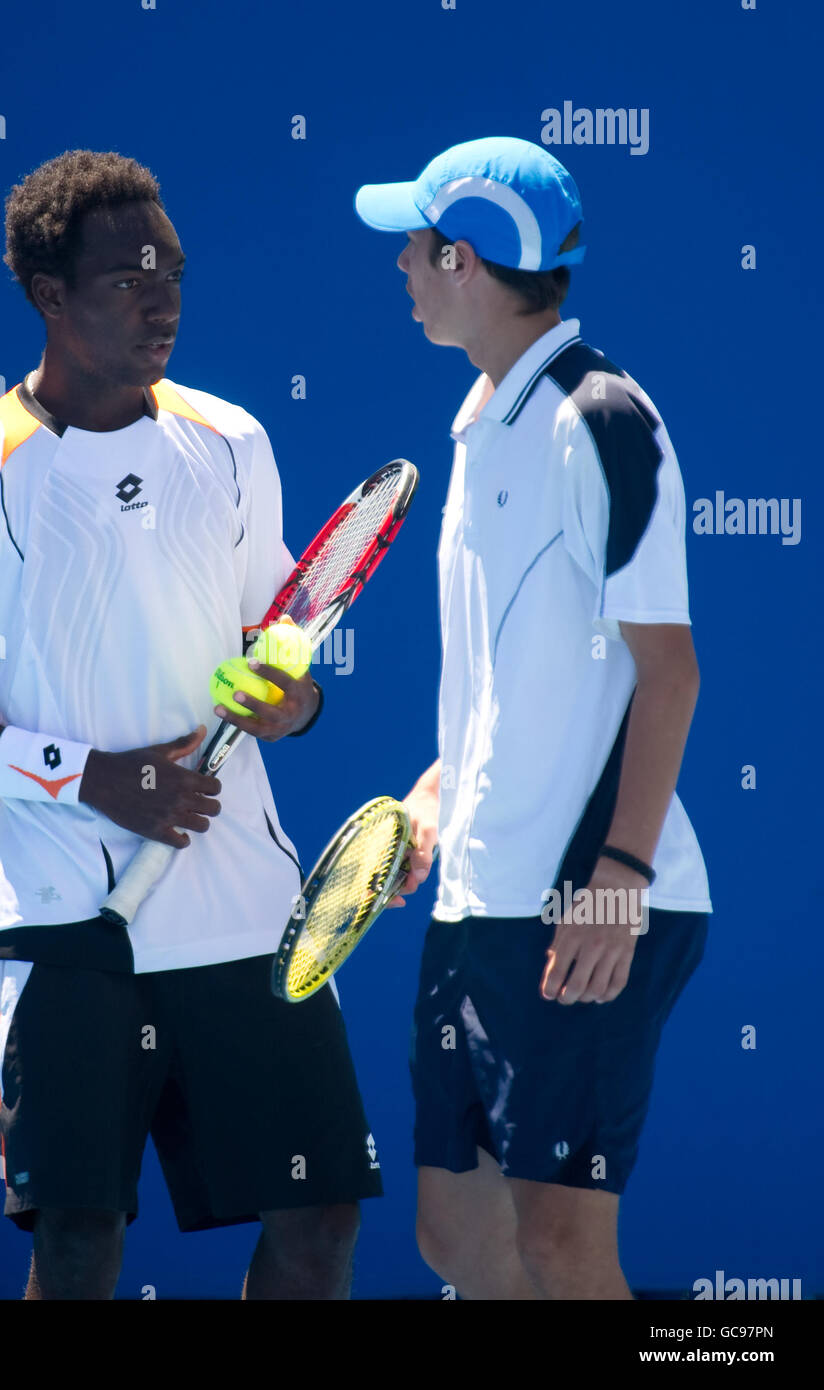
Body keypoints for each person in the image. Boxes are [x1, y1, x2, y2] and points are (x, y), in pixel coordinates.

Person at [0, 149, 381, 1300]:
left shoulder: (232, 443)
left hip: (246, 914)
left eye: (173, 273)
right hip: (62, 923)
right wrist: (85, 776)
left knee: (319, 1219)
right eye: (129, 278)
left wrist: (296, 704)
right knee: (81, 1245)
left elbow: (277, 660)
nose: (162, 301)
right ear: (49, 296)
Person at [354, 137, 711, 1299]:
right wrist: (430, 801)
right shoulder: (479, 422)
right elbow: (509, 688)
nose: (400, 265)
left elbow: (669, 674)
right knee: (456, 1238)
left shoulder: (601, 417)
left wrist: (618, 874)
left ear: (460, 260)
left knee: (561, 1249)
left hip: (586, 897)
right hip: (478, 895)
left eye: (412, 245)